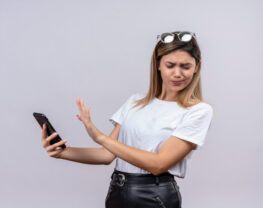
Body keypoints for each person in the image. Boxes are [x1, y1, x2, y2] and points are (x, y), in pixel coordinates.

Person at [41, 31, 214, 208]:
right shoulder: (135, 102)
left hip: (154, 197)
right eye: (170, 65)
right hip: (117, 191)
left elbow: (158, 164)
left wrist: (100, 136)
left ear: (196, 68)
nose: (178, 73)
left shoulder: (198, 111)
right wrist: (62, 152)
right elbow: (107, 154)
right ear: (158, 65)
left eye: (185, 66)